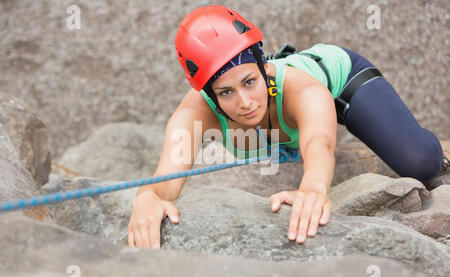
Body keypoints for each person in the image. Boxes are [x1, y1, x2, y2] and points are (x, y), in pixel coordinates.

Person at [128, 5, 449, 248]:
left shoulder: (301, 89)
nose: (244, 101)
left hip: (341, 84)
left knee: (420, 162)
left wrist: (312, 189)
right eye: (226, 92)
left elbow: (319, 146)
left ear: (265, 67)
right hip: (294, 118)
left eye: (249, 81)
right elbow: (164, 180)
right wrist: (147, 198)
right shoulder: (195, 112)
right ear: (209, 94)